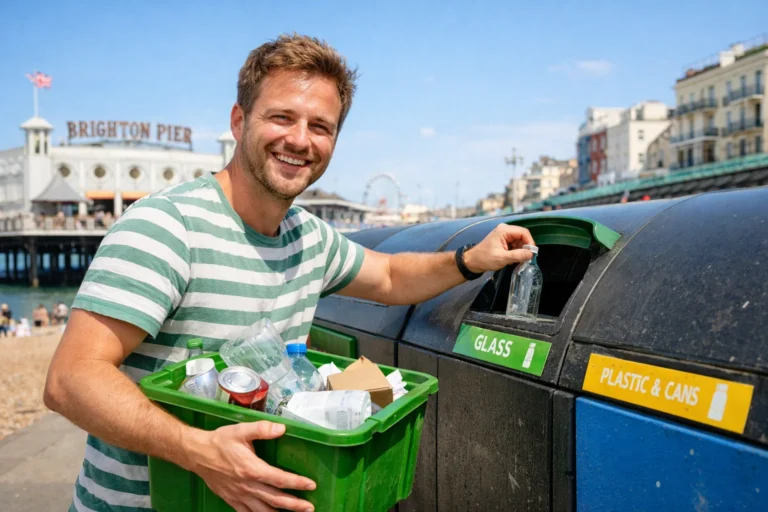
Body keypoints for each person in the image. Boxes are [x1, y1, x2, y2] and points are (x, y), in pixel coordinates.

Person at [44, 34, 535, 512]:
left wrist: (472, 259)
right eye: (281, 117)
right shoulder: (168, 226)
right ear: (239, 121)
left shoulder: (308, 236)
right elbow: (71, 379)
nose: (300, 140)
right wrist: (199, 452)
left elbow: (389, 278)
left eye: (320, 126)